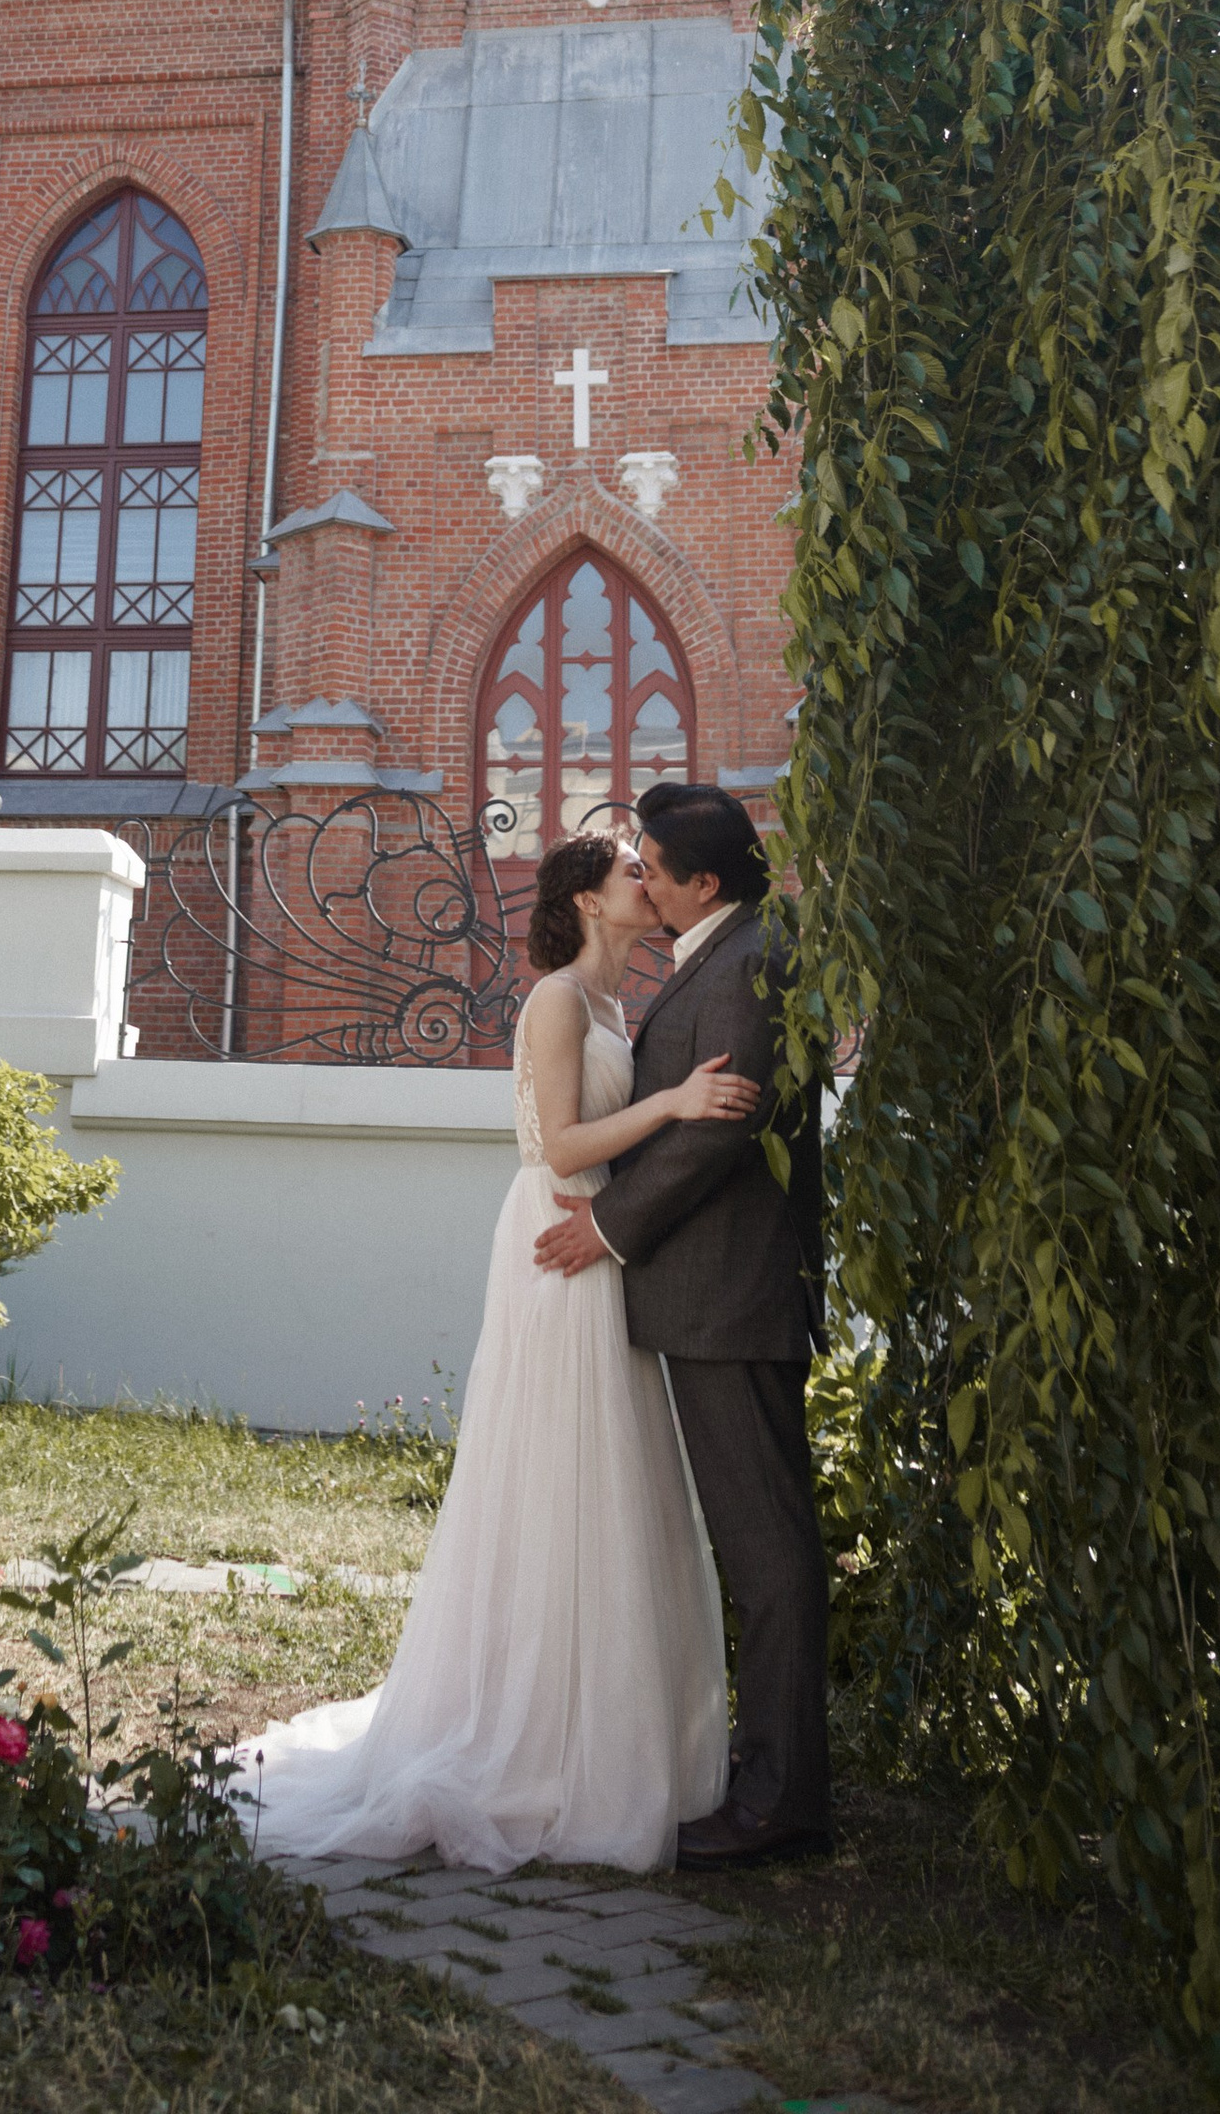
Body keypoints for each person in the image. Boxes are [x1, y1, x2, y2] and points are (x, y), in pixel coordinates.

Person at [244, 827, 756, 1871]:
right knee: (557, 1469)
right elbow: (556, 1144)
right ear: (585, 899)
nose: (647, 881)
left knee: (615, 1475)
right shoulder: (558, 1000)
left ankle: (605, 1730)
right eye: (629, 871)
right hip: (556, 1234)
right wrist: (674, 1102)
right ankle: (528, 1736)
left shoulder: (616, 1003)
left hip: (601, 1237)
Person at [533, 779, 830, 1867]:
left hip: (730, 1300)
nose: (640, 882)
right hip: (710, 1298)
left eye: (651, 869)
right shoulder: (720, 950)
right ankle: (765, 1776)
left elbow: (719, 1132)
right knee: (758, 1545)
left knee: (768, 1552)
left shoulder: (750, 960)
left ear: (703, 883)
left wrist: (606, 1229)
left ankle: (779, 1803)